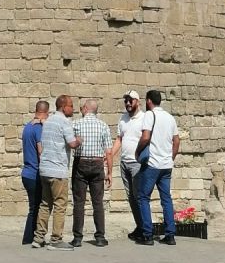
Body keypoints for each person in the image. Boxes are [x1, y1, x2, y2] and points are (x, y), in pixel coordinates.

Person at [33, 94, 80, 247]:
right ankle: (56, 240)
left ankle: (38, 238)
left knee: (45, 204)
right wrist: (79, 140)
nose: (73, 109)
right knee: (60, 204)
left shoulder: (48, 121)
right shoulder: (64, 122)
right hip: (58, 170)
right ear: (63, 107)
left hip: (45, 168)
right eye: (71, 106)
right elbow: (72, 143)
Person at [134, 90, 179, 246]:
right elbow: (176, 141)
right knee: (166, 199)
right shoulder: (170, 117)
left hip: (152, 164)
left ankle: (147, 234)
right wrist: (171, 158)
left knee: (143, 197)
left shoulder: (149, 115)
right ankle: (170, 235)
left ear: (149, 101)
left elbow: (145, 137)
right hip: (166, 165)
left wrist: (137, 151)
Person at [70, 98, 112, 247]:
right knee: (98, 202)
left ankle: (77, 238)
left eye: (82, 107)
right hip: (97, 163)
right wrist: (109, 172)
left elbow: (69, 143)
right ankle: (100, 237)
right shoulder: (103, 126)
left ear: (86, 108)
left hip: (80, 162)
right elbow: (108, 151)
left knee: (79, 202)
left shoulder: (76, 124)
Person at [108, 91, 146, 239]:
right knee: (131, 197)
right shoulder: (123, 118)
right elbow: (119, 139)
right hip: (124, 163)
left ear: (138, 101)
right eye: (126, 101)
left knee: (139, 196)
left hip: (137, 163)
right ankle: (140, 226)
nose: (128, 103)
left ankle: (146, 229)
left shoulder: (144, 118)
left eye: (131, 100)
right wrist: (110, 154)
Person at [20, 100, 48, 246]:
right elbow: (40, 151)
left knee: (34, 207)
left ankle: (29, 238)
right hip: (34, 174)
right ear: (46, 113)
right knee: (36, 208)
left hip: (26, 172)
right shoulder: (38, 128)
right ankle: (29, 238)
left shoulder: (27, 127)